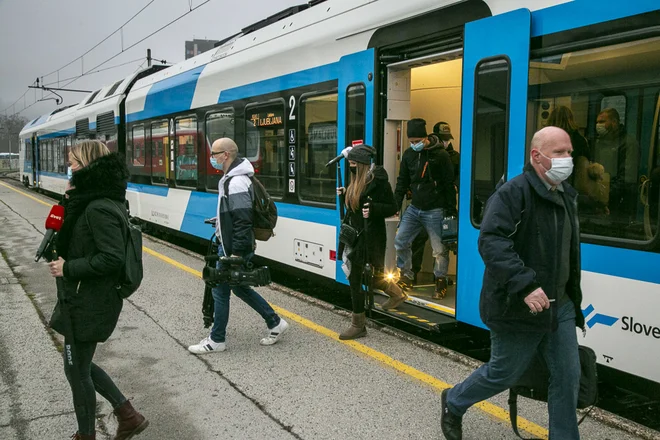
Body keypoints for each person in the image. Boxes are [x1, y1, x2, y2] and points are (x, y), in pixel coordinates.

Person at [440, 127, 585, 440]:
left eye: (569, 152)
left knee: (567, 376)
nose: (567, 159)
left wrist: (572, 297)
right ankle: (454, 400)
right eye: (559, 152)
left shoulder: (564, 195)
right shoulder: (514, 192)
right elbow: (490, 241)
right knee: (504, 373)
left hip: (559, 306)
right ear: (537, 156)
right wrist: (525, 285)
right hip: (519, 304)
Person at [47, 140, 148, 440]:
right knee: (79, 365)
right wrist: (68, 200)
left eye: (75, 162)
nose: (70, 167)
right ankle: (128, 415)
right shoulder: (90, 200)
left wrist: (68, 268)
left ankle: (87, 434)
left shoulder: (99, 207)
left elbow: (111, 258)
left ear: (89, 164)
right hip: (81, 296)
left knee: (76, 371)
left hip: (91, 300)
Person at [188, 138, 289, 354]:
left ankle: (216, 340)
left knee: (220, 291)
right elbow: (235, 216)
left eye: (214, 154)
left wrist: (236, 253)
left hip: (234, 247)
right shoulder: (231, 179)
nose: (211, 158)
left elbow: (243, 220)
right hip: (231, 243)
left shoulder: (236, 183)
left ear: (225, 155)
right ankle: (274, 322)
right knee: (237, 287)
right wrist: (220, 222)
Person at [336, 145, 402, 339]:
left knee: (356, 278)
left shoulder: (378, 181)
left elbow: (392, 207)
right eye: (349, 164)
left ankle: (358, 325)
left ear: (363, 165)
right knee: (360, 277)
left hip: (370, 236)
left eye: (354, 164)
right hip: (355, 235)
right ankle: (396, 293)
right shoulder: (356, 180)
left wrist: (373, 209)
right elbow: (357, 201)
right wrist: (346, 192)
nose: (351, 168)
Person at [394, 118, 456, 299]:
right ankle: (406, 274)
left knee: (439, 249)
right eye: (411, 142)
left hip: (435, 209)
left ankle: (440, 280)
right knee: (401, 241)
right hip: (415, 207)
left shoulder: (441, 156)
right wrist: (396, 204)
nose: (414, 145)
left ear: (425, 137)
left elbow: (448, 184)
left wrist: (451, 211)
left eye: (416, 141)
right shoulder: (408, 155)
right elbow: (402, 181)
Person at [593, 107, 640, 222]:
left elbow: (626, 178)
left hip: (619, 202)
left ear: (614, 122)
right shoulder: (599, 143)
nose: (598, 125)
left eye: (602, 122)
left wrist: (606, 197)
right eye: (597, 122)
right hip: (600, 199)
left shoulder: (629, 143)